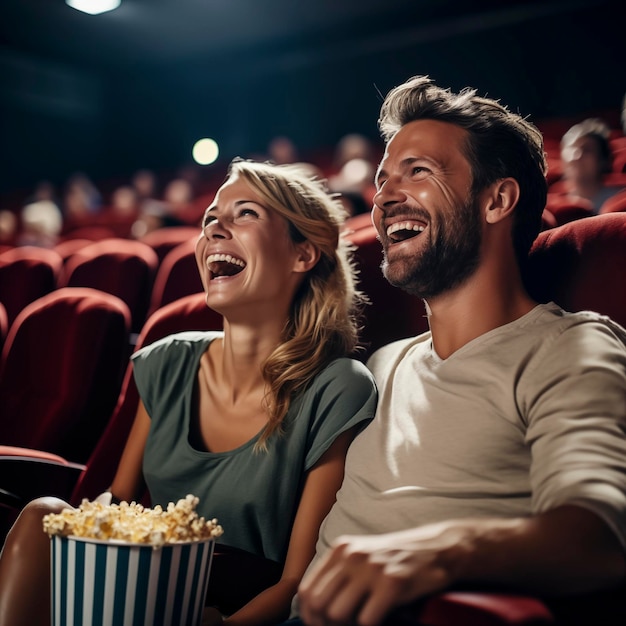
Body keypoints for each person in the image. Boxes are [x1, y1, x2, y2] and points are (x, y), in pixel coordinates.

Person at [290, 75, 626, 625]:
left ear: (497, 199)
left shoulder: (570, 346)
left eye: (418, 171)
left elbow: (599, 537)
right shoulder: (381, 363)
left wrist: (440, 551)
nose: (384, 197)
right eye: (382, 180)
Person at [0, 159, 377, 626]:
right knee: (44, 514)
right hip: (131, 586)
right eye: (210, 219)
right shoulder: (166, 360)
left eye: (245, 214)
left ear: (303, 254)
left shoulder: (339, 386)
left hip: (233, 609)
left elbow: (298, 582)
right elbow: (119, 503)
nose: (215, 228)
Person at [559, 117, 624, 213]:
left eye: (586, 150)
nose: (576, 156)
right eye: (571, 149)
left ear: (603, 160)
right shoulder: (556, 207)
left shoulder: (620, 202)